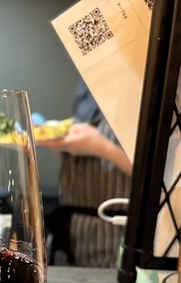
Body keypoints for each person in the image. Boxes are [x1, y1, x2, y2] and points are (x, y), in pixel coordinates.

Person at [37, 80, 132, 268]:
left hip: (111, 231)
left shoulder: (136, 86)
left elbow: (161, 180)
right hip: (73, 226)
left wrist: (102, 147)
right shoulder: (88, 85)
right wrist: (55, 143)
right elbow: (80, 157)